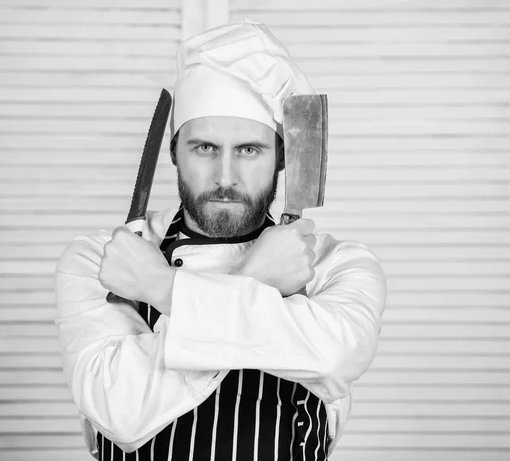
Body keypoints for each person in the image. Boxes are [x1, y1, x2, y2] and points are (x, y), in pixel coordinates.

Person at [55, 18, 387, 461]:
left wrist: (162, 289)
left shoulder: (334, 266)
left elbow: (331, 361)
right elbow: (120, 411)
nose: (225, 177)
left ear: (282, 158)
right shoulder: (103, 259)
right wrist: (256, 281)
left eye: (249, 149)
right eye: (205, 148)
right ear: (175, 151)